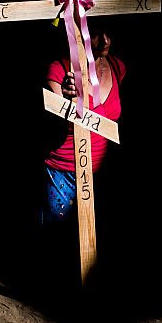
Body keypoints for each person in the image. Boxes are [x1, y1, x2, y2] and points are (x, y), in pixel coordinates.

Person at [41, 22, 126, 228]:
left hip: (101, 172)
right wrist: (66, 98)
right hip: (64, 173)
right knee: (57, 238)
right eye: (96, 34)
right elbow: (50, 122)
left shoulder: (117, 67)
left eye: (108, 33)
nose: (105, 41)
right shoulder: (60, 70)